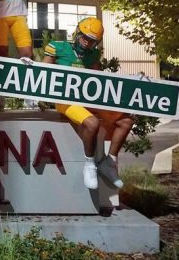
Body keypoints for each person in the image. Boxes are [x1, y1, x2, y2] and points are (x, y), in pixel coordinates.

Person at [41, 17, 134, 190]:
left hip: (85, 99)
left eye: (92, 41)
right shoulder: (58, 47)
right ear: (77, 32)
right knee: (92, 124)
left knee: (126, 121)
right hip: (65, 100)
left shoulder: (92, 55)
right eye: (85, 37)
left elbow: (98, 81)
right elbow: (42, 74)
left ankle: (109, 162)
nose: (86, 43)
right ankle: (89, 163)